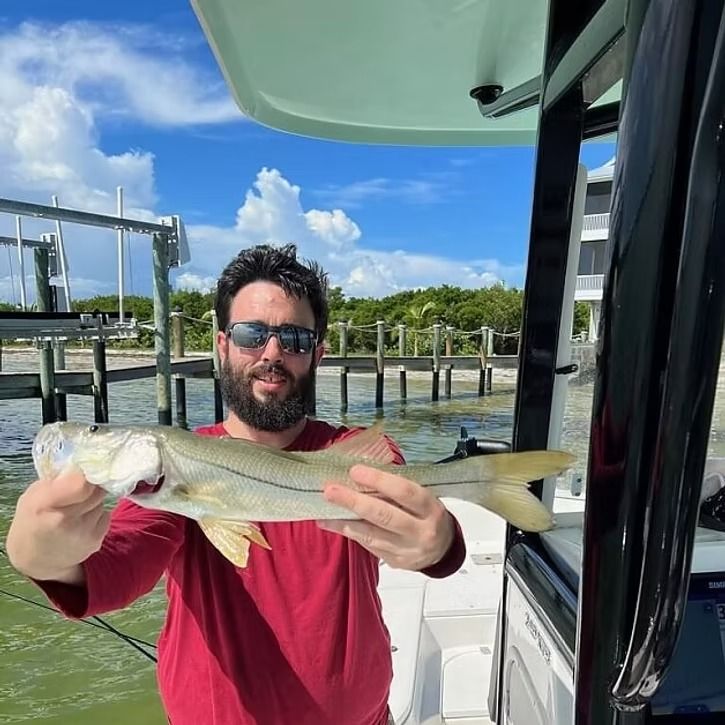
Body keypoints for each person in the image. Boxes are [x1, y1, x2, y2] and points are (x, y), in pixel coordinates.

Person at [6, 244, 467, 725]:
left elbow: (417, 531)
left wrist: (440, 544)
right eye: (252, 334)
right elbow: (120, 560)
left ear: (318, 353)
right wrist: (46, 558)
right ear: (222, 345)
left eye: (294, 338)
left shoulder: (356, 453)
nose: (272, 354)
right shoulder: (169, 474)